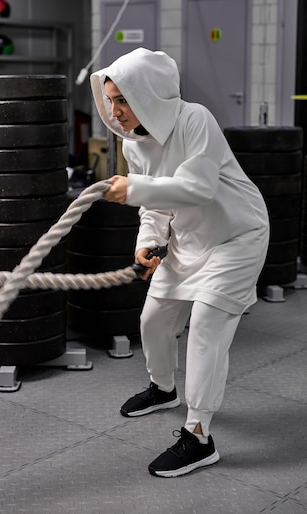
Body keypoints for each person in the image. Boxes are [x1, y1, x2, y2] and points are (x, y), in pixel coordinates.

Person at [90, 47, 270, 478]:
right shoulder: (133, 141)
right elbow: (156, 208)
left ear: (148, 94)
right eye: (111, 101)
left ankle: (199, 436)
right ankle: (163, 389)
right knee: (153, 318)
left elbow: (199, 186)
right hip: (189, 239)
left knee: (206, 327)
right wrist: (148, 241)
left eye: (123, 100)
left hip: (237, 237)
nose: (115, 112)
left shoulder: (195, 119)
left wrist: (135, 189)